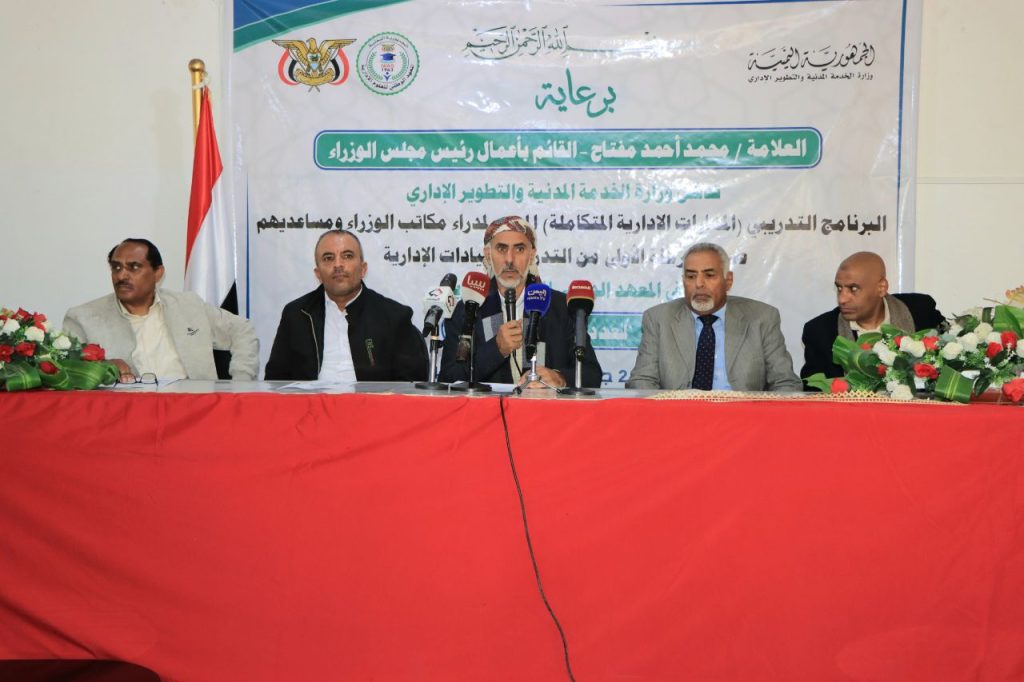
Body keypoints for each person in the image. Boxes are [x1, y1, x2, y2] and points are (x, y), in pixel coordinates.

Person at [438, 215, 602, 388]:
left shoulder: (561, 307)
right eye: (501, 248)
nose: (509, 259)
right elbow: (448, 378)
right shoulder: (469, 309)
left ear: (531, 255)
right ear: (488, 254)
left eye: (519, 249)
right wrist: (496, 349)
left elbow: (592, 374)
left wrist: (560, 377)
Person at [63, 238, 259, 382]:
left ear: (158, 273)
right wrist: (102, 367)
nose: (121, 276)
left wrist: (241, 381)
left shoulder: (188, 306)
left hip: (194, 408)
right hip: (127, 413)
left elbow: (242, 329)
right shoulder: (83, 318)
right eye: (116, 268)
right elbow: (68, 370)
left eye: (134, 267)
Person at [626, 242, 802, 392]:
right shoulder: (658, 319)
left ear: (728, 280)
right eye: (691, 276)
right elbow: (642, 381)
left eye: (709, 275)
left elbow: (785, 382)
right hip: (679, 416)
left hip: (743, 416)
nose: (699, 284)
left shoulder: (762, 318)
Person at [265, 229, 428, 381]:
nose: (338, 265)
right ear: (318, 274)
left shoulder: (394, 317)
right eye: (328, 258)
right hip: (311, 402)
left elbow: (410, 385)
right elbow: (276, 380)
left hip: (370, 402)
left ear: (363, 269)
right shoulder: (297, 314)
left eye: (347, 256)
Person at [800, 251, 944, 382]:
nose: (842, 299)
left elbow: (948, 370)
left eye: (853, 288)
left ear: (881, 288)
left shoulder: (921, 311)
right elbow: (812, 391)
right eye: (839, 288)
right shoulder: (820, 332)